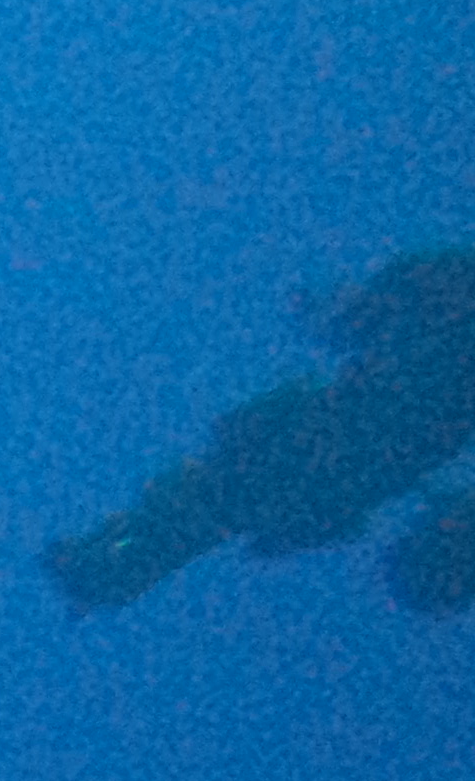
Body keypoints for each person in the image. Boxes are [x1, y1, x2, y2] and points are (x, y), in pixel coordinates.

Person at [46, 247, 475, 618]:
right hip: (327, 458)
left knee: (215, 504)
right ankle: (110, 567)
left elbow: (371, 320)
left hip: (322, 453)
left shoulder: (429, 310)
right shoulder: (429, 313)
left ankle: (110, 567)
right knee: (215, 504)